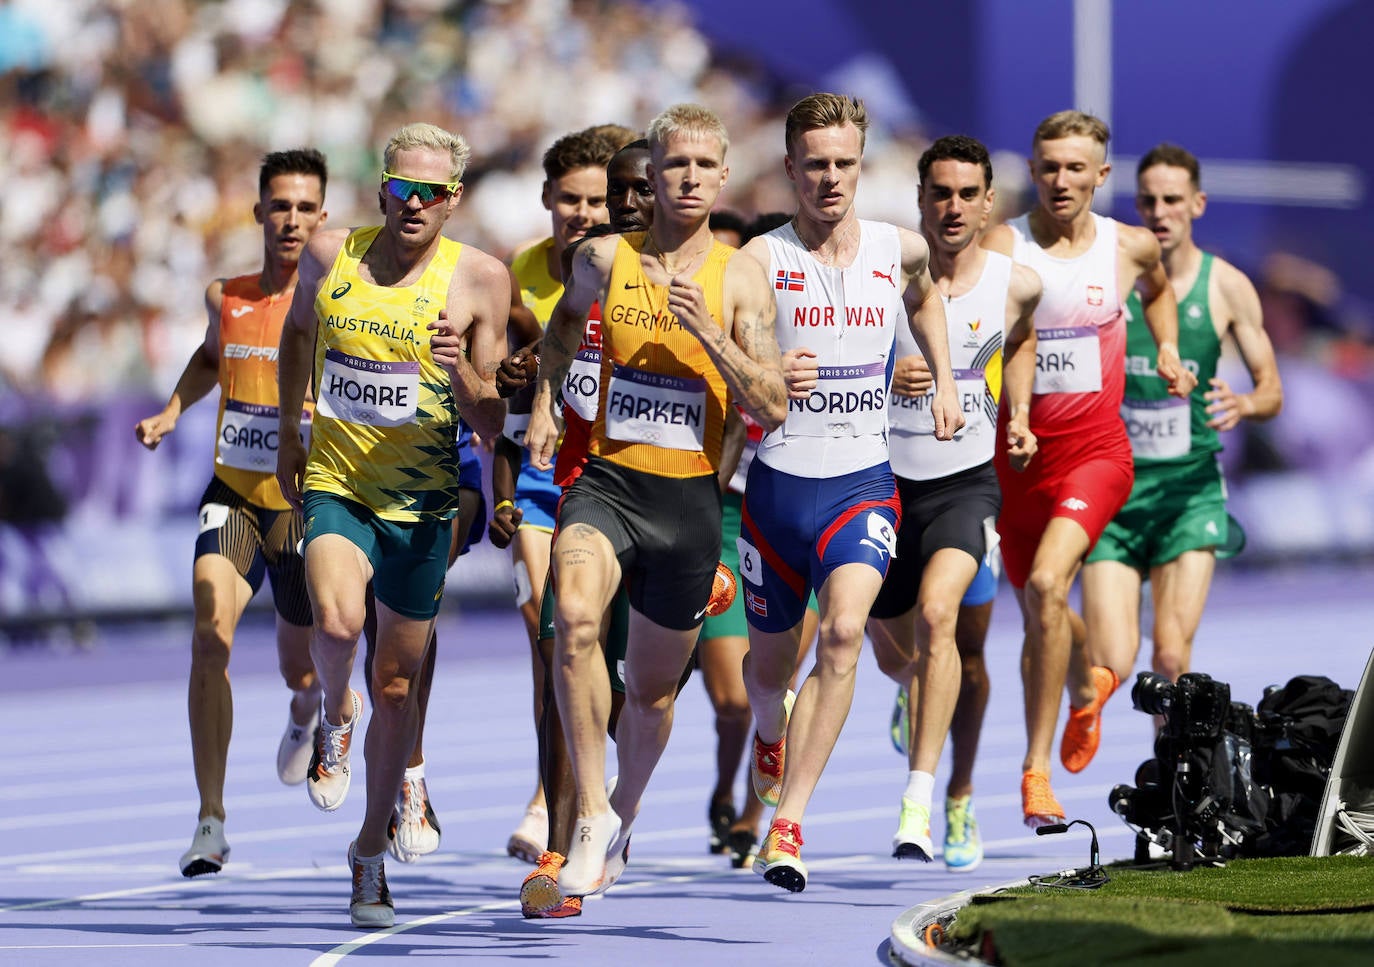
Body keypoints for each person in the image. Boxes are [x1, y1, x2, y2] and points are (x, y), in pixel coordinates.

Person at [525, 102, 787, 899]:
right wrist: (544, 400)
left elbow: (772, 402)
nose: (689, 180)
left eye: (705, 167)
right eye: (676, 165)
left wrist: (710, 335)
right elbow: (564, 330)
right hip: (607, 483)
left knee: (651, 693)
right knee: (571, 616)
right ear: (653, 172)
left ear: (723, 176)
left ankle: (623, 813)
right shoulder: (606, 259)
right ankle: (591, 809)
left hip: (688, 506)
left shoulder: (742, 277)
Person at [275, 122, 507, 928]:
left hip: (422, 503)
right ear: (381, 188)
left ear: (454, 200)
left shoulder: (479, 279)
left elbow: (489, 418)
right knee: (337, 624)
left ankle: (369, 851)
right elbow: (299, 329)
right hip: (339, 484)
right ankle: (336, 714)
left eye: (431, 193)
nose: (415, 204)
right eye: (402, 188)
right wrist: (285, 429)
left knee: (399, 686)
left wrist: (463, 370)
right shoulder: (330, 254)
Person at [737, 92, 963, 893]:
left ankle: (789, 821)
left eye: (844, 164)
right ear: (790, 167)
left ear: (860, 166)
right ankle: (772, 731)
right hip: (776, 495)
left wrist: (939, 379)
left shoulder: (898, 249)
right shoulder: (760, 261)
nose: (830, 179)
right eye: (815, 165)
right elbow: (739, 369)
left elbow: (927, 298)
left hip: (862, 485)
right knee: (765, 676)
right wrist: (767, 376)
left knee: (841, 636)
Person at [980, 110, 1196, 827]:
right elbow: (988, 337)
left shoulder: (1128, 247)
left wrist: (1164, 347)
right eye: (1049, 166)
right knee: (1040, 610)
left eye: (1076, 168)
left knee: (1048, 583)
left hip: (1097, 457)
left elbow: (1160, 289)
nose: (1061, 180)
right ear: (1032, 171)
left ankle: (1034, 773)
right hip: (1017, 464)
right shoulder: (1002, 246)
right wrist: (1004, 411)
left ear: (1101, 175)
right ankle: (1083, 684)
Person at [135, 148, 329, 879]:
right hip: (236, 495)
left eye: (305, 207)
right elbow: (213, 357)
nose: (290, 219)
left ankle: (308, 712)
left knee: (298, 669)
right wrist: (171, 410)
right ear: (257, 213)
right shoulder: (229, 295)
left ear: (323, 218)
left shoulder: (336, 301)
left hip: (305, 508)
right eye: (279, 205)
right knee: (209, 636)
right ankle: (211, 819)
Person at [1063, 143, 1283, 770]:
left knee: (1169, 655)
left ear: (1197, 205)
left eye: (1172, 201)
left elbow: (1273, 390)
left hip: (1189, 494)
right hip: (1115, 493)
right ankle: (1082, 683)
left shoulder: (1228, 287)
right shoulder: (1105, 280)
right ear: (1136, 206)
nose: (1160, 212)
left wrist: (1244, 403)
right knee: (1113, 659)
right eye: (1149, 200)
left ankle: (1173, 784)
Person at [868, 135, 1039, 871]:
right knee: (887, 649)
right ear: (920, 200)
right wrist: (888, 383)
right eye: (940, 193)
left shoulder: (1017, 283)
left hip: (967, 485)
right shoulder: (881, 278)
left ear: (989, 201)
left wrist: (1020, 411)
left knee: (956, 636)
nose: (953, 207)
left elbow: (1023, 339)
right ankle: (912, 690)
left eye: (968, 194)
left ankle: (947, 797)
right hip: (883, 483)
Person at [495, 127, 618, 864]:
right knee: (551, 636)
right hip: (537, 479)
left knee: (603, 654)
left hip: (614, 479)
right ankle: (551, 803)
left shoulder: (627, 268)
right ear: (546, 199)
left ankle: (597, 794)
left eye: (595, 200)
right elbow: (494, 386)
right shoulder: (516, 272)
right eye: (569, 198)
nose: (580, 211)